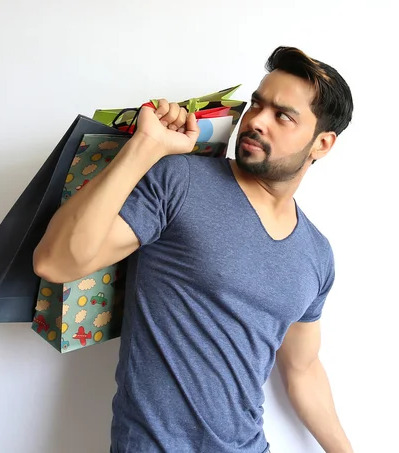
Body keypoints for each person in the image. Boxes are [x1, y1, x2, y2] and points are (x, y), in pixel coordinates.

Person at [33, 46, 354, 453]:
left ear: (322, 143)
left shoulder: (317, 254)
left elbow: (304, 369)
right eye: (257, 104)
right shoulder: (181, 181)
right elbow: (55, 261)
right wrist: (145, 147)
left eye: (282, 115)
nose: (256, 121)